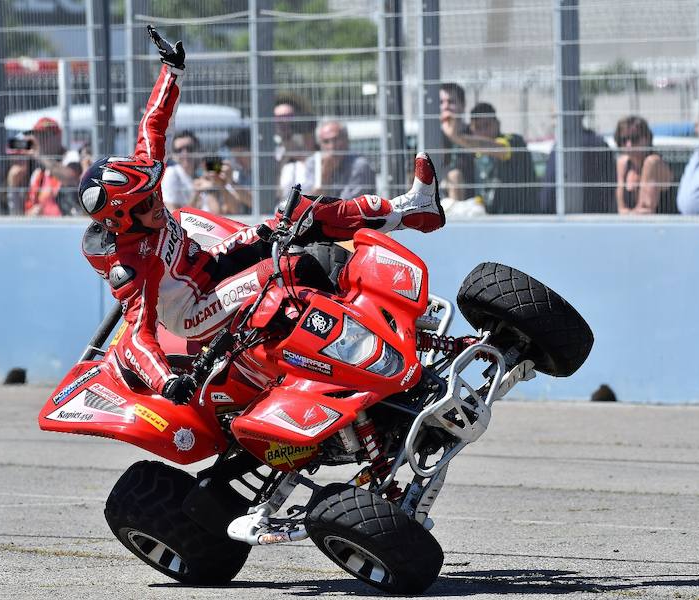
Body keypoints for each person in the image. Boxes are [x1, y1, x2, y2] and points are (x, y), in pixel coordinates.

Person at [78, 26, 446, 406]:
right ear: (119, 222)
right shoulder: (131, 265)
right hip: (198, 311)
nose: (155, 201)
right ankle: (363, 358)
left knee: (298, 216)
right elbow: (139, 335)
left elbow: (153, 125)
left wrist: (171, 70)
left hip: (210, 262)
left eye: (153, 190)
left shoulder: (141, 179)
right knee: (287, 269)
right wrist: (166, 381)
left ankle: (413, 211)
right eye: (143, 204)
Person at [442, 101, 537, 213]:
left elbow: (497, 148)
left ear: (497, 124)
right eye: (477, 127)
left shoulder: (514, 141)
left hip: (520, 218)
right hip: (487, 221)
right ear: (472, 130)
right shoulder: (470, 154)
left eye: (487, 125)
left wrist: (456, 136)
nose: (483, 131)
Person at [540, 108, 616, 214]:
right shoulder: (600, 144)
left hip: (566, 217)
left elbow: (549, 191)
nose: (553, 123)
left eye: (555, 117)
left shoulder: (562, 146)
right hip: (600, 215)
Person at [301, 119, 376, 199]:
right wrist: (325, 175)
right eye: (326, 141)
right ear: (320, 144)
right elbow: (308, 202)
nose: (332, 146)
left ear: (346, 140)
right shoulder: (313, 163)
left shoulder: (360, 165)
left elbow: (348, 205)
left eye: (336, 140)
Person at [613, 115, 673, 215]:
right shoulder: (622, 163)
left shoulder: (653, 162)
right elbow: (621, 208)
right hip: (630, 225)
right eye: (624, 140)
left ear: (647, 139)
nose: (629, 145)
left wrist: (627, 215)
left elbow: (646, 209)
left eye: (634, 138)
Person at [23, 117, 82, 216]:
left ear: (58, 136)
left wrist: (40, 156)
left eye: (45, 135)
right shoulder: (38, 173)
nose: (40, 140)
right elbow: (27, 209)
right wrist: (32, 213)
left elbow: (70, 178)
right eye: (37, 136)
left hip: (68, 225)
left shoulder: (71, 157)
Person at [274, 94, 317, 198]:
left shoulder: (310, 144)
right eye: (278, 118)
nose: (283, 122)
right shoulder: (274, 152)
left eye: (287, 117)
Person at [439, 82, 476, 202]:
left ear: (463, 105)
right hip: (437, 196)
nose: (445, 107)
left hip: (470, 200)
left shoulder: (474, 134)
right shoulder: (431, 137)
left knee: (455, 176)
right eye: (441, 102)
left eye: (451, 102)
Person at [160, 130, 199, 211]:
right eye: (179, 150)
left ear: (197, 150)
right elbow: (174, 214)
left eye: (189, 148)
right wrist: (197, 193)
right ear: (174, 155)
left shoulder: (202, 173)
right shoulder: (171, 173)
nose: (185, 153)